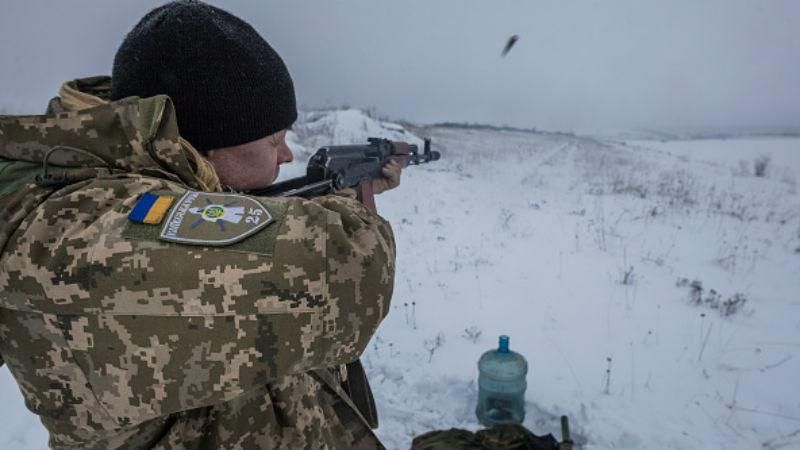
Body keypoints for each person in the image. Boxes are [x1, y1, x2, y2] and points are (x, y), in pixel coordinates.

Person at [0, 1, 399, 448]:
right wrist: (351, 205)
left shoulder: (154, 185)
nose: (287, 155)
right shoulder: (78, 226)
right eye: (273, 139)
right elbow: (348, 272)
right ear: (200, 147)